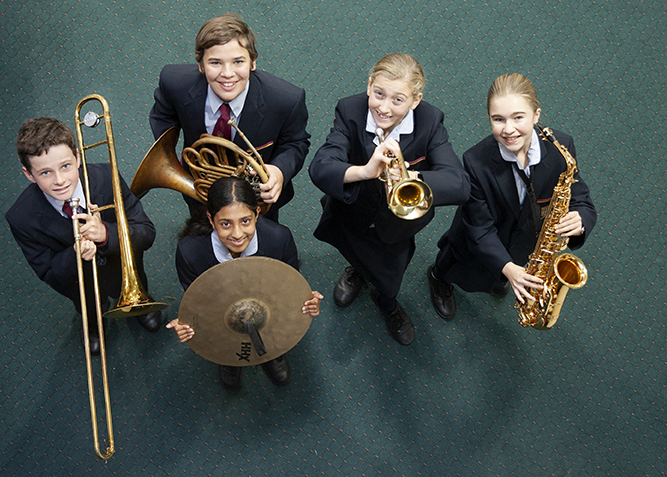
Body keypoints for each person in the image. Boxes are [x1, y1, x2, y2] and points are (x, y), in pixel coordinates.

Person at [308, 53, 470, 346]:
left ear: (415, 100)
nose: (384, 108)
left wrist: (410, 177)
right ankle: (357, 270)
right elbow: (320, 167)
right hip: (353, 211)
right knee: (352, 248)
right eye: (379, 93)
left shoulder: (430, 121)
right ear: (369, 85)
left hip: (397, 226)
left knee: (390, 279)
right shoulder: (350, 110)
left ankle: (388, 304)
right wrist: (365, 170)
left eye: (398, 100)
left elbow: (459, 184)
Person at [426, 73, 597, 320]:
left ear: (536, 115)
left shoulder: (562, 147)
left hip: (525, 245)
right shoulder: (475, 162)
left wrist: (581, 217)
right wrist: (507, 267)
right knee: (456, 267)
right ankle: (438, 280)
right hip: (478, 243)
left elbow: (578, 193)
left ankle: (502, 274)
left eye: (518, 117)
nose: (508, 129)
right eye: (498, 119)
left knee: (499, 275)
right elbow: (479, 228)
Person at [6, 117, 163, 356]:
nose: (59, 180)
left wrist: (106, 235)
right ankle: (92, 324)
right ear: (29, 174)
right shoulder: (21, 217)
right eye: (45, 172)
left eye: (66, 166)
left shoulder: (107, 177)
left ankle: (140, 305)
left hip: (125, 268)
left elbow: (146, 232)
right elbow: (48, 273)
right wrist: (74, 254)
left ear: (78, 158)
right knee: (89, 306)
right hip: (80, 285)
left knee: (135, 281)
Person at [149, 13, 310, 223]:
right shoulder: (174, 83)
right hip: (200, 185)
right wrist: (168, 155)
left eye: (238, 62)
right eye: (215, 62)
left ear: (253, 62)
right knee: (201, 232)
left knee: (263, 241)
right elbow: (163, 116)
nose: (227, 73)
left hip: (257, 196)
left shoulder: (286, 100)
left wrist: (279, 171)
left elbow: (295, 142)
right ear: (200, 65)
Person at [166, 177, 323, 390]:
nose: (238, 234)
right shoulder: (190, 252)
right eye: (225, 224)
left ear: (257, 214)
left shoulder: (279, 238)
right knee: (225, 337)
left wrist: (306, 301)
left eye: (245, 221)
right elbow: (196, 300)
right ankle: (229, 359)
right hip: (221, 313)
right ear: (211, 220)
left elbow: (289, 283)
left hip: (269, 306)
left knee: (270, 329)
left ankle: (271, 354)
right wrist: (187, 324)